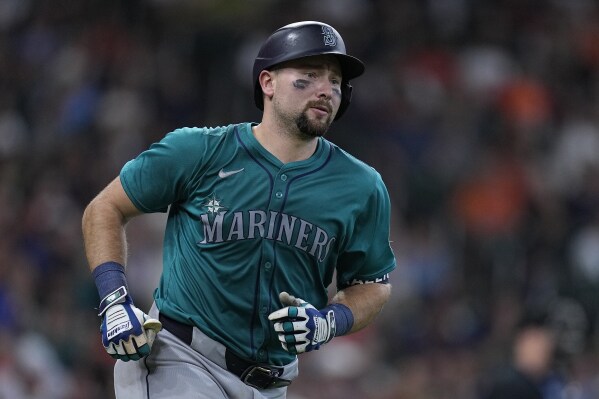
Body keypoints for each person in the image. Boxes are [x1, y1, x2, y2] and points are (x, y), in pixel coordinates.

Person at [82, 20, 396, 399]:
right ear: (267, 83)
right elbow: (105, 208)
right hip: (181, 359)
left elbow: (371, 286)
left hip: (272, 384)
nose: (326, 90)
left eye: (334, 80)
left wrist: (330, 322)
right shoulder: (198, 151)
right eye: (309, 74)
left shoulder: (361, 186)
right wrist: (115, 301)